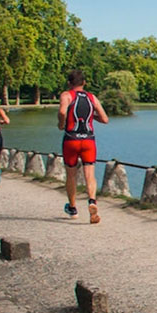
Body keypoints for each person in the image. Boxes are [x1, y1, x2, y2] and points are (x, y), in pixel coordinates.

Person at [57, 69, 109, 223]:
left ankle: (73, 208)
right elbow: (105, 119)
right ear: (84, 83)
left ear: (69, 83)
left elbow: (62, 112)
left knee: (71, 175)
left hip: (71, 139)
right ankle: (92, 201)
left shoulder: (66, 95)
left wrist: (61, 124)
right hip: (88, 140)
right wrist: (92, 116)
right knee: (89, 174)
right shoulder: (92, 97)